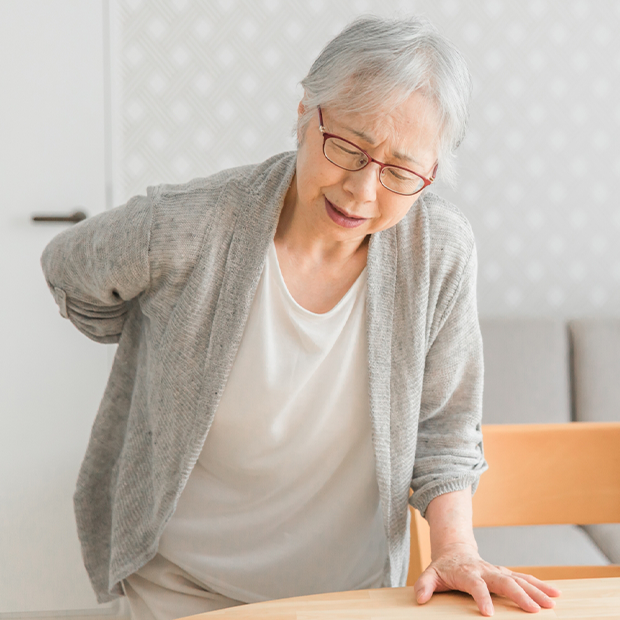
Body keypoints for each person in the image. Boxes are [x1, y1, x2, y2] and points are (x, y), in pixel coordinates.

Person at [41, 14, 560, 620]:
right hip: (181, 591)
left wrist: (456, 548)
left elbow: (444, 428)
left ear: (432, 174)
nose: (363, 190)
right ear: (304, 114)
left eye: (400, 169)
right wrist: (152, 335)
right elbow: (67, 267)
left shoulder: (440, 252)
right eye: (347, 147)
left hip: (353, 595)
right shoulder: (190, 225)